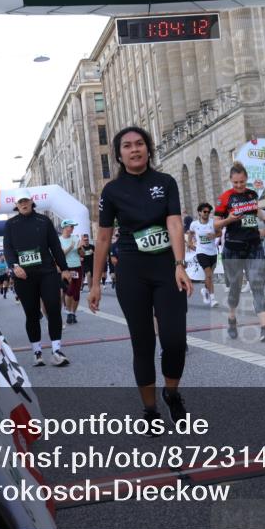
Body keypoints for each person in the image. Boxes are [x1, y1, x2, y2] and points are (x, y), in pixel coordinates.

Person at [88, 126, 193, 429]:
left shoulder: (165, 182)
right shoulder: (112, 191)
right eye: (127, 146)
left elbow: (174, 223)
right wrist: (95, 282)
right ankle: (150, 411)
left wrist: (179, 263)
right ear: (119, 155)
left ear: (148, 148)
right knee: (143, 342)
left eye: (140, 144)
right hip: (132, 269)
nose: (134, 150)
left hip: (166, 268)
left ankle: (171, 393)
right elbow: (104, 237)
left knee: (174, 340)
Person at [3, 188, 75, 367]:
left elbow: (55, 246)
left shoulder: (44, 221)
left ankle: (57, 350)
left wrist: (64, 268)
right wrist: (15, 266)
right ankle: (37, 352)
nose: (24, 204)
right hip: (24, 276)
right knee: (32, 314)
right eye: (20, 202)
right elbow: (8, 249)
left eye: (26, 201)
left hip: (47, 272)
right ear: (16, 205)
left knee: (53, 307)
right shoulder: (10, 224)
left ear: (32, 201)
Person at [214, 162, 265, 342]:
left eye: (241, 182)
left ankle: (264, 327)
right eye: (235, 183)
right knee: (235, 288)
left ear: (246, 179)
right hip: (233, 248)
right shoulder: (225, 198)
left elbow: (256, 211)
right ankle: (232, 318)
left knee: (257, 284)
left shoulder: (252, 194)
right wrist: (228, 220)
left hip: (254, 245)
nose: (239, 186)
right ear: (231, 181)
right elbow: (215, 224)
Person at [187, 202, 220, 307]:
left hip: (213, 252)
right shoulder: (194, 224)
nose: (207, 213)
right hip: (201, 252)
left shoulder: (213, 222)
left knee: (209, 276)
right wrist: (190, 243)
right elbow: (190, 233)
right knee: (209, 275)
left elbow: (220, 233)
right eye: (205, 211)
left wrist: (214, 235)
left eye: (209, 212)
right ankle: (213, 299)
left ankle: (205, 290)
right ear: (199, 212)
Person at [59, 219, 83, 325]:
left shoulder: (76, 238)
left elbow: (82, 254)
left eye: (73, 227)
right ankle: (68, 312)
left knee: (76, 292)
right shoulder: (59, 240)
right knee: (69, 290)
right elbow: (60, 255)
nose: (73, 228)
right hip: (66, 268)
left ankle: (73, 313)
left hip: (77, 266)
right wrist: (71, 247)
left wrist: (79, 248)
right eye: (71, 226)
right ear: (65, 227)